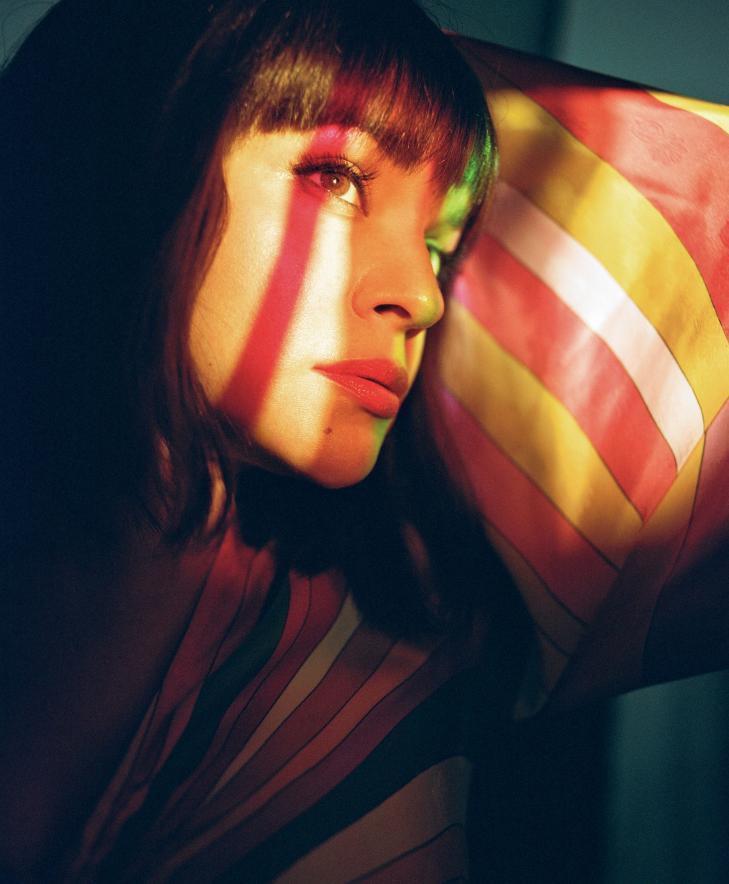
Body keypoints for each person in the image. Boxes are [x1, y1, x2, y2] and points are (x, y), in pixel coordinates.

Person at [0, 0, 531, 879]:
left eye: (439, 244)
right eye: (337, 178)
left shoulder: (355, 701)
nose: (421, 297)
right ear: (129, 147)